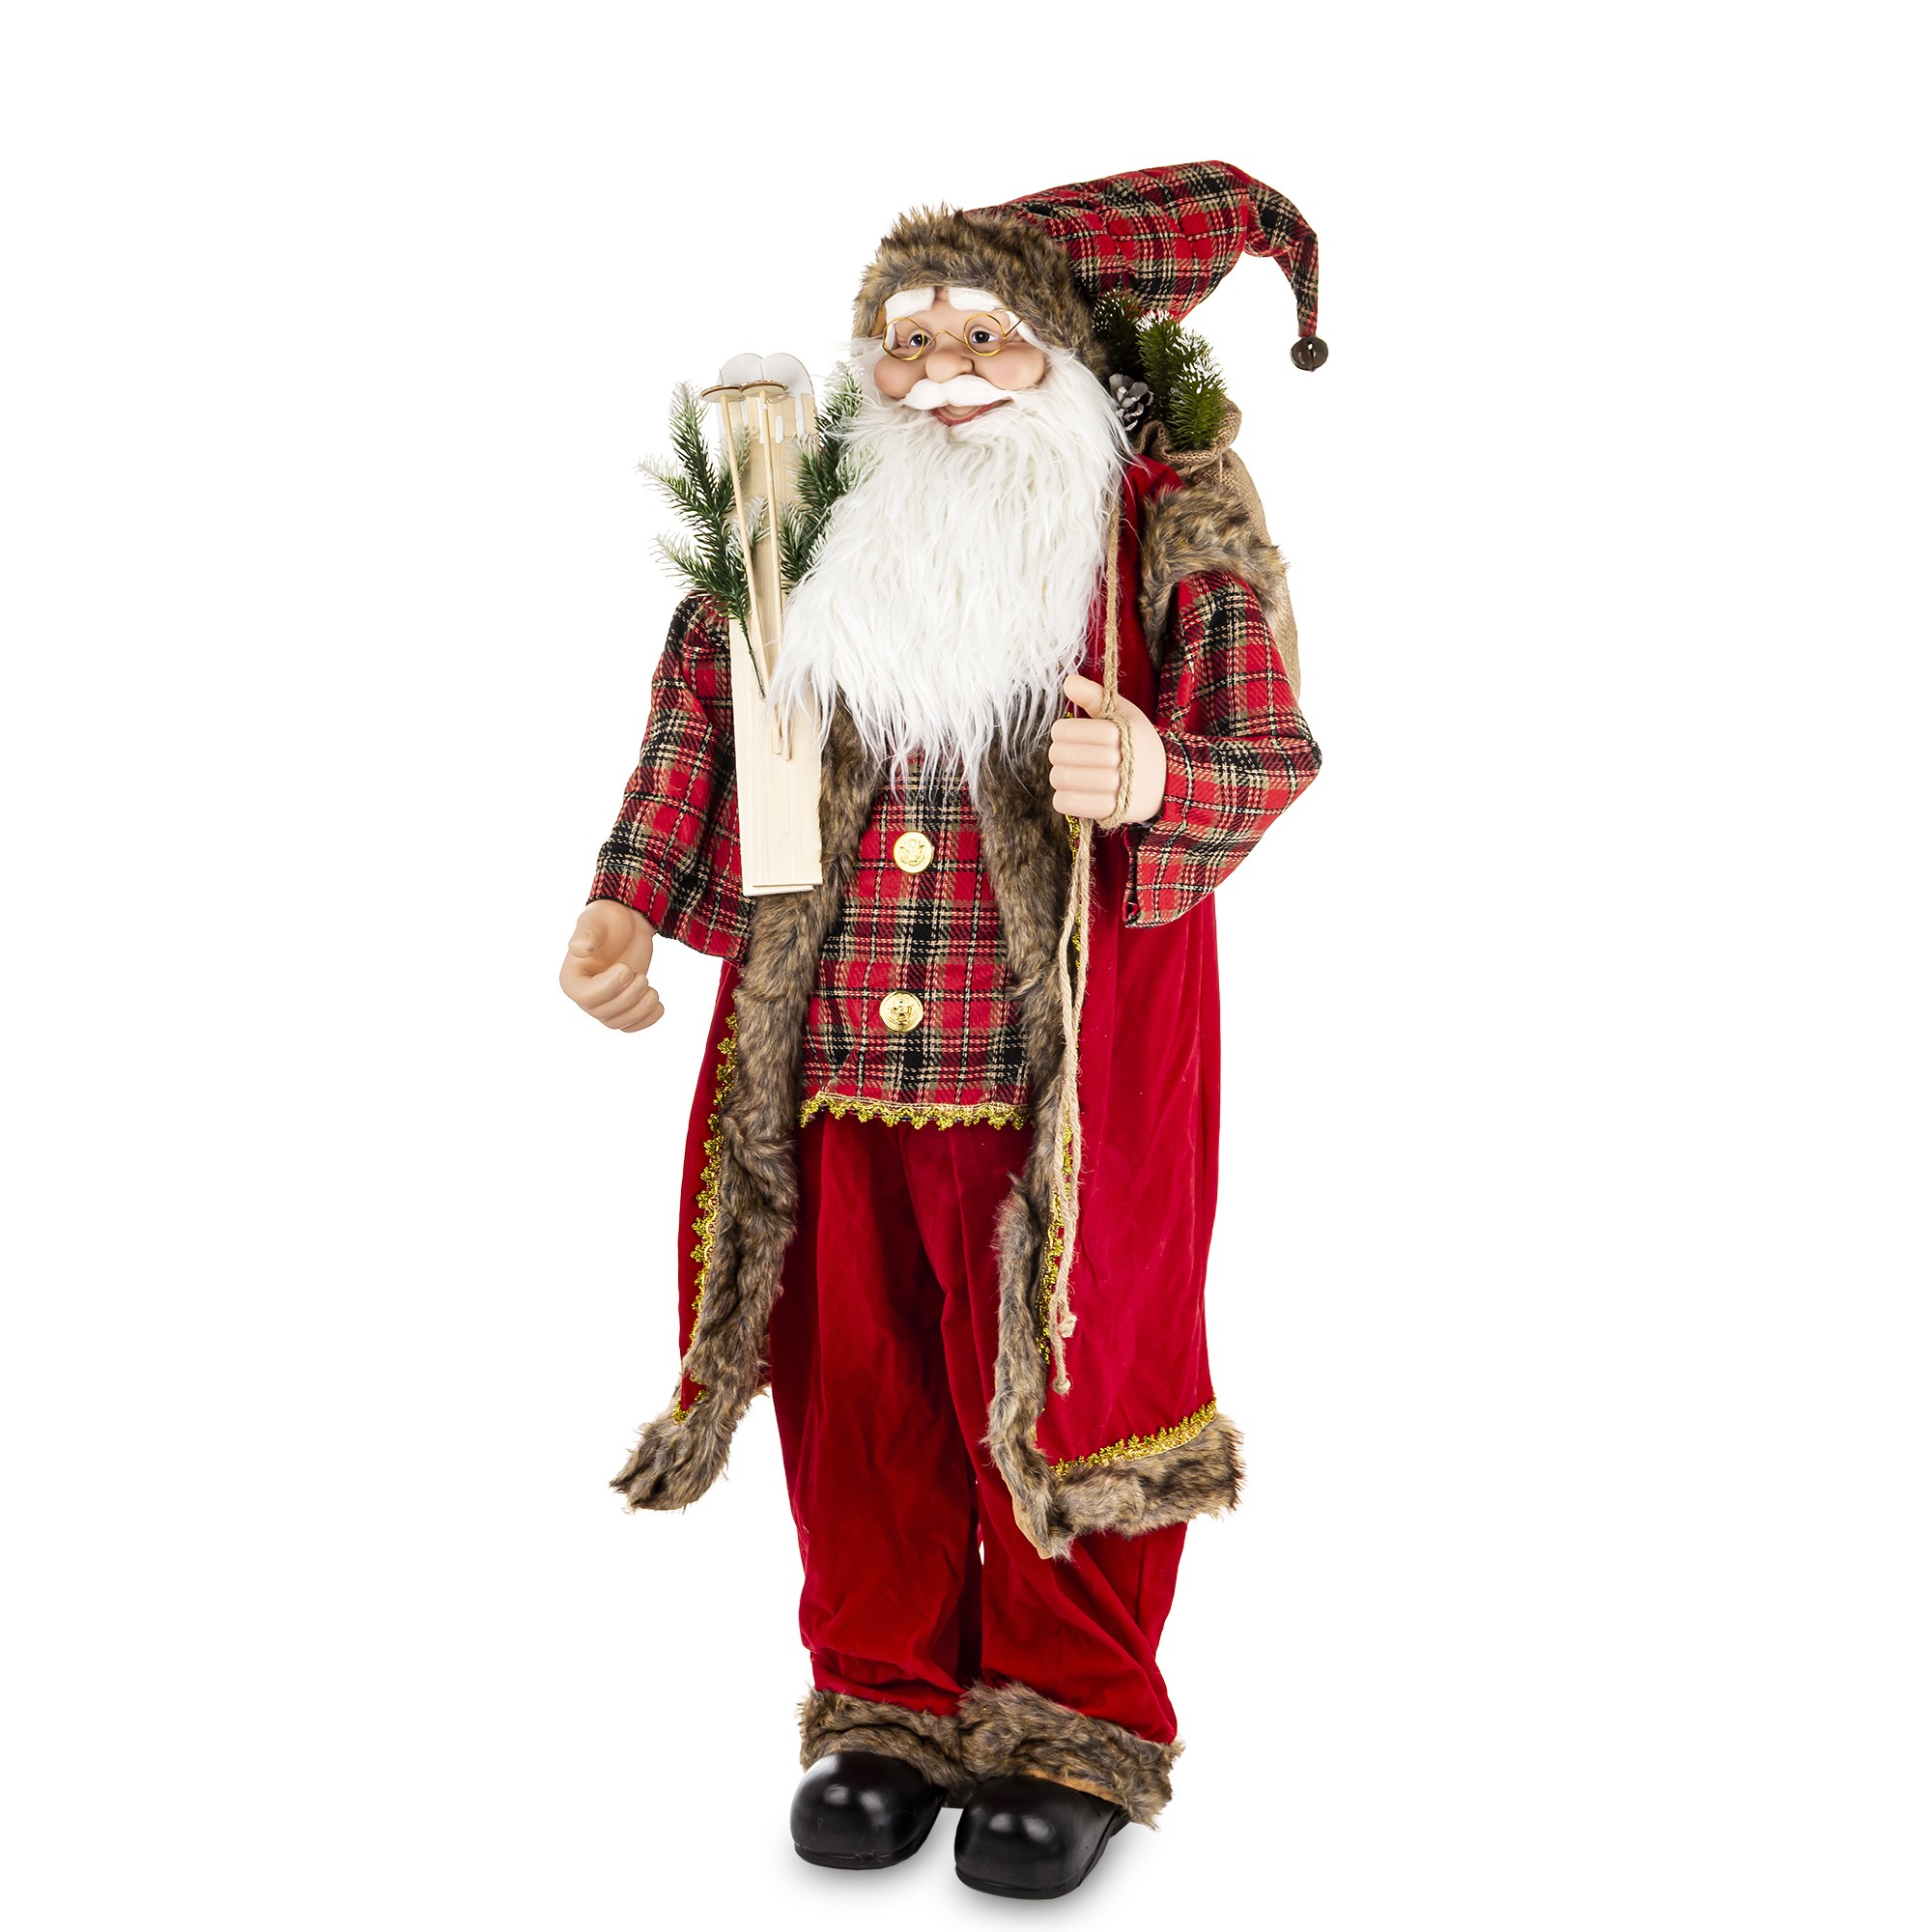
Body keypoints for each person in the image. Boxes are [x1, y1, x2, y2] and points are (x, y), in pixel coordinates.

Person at [561, 160, 1325, 1898]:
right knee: (863, 1384)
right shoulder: (804, 520)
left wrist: (1158, 775)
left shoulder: (1163, 518)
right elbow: (706, 714)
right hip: (837, 1055)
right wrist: (631, 899)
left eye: (985, 336)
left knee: (1059, 1378)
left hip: (1054, 1078)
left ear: (1070, 354)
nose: (941, 372)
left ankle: (1071, 1720)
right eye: (906, 340)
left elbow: (1266, 746)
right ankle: (884, 1702)